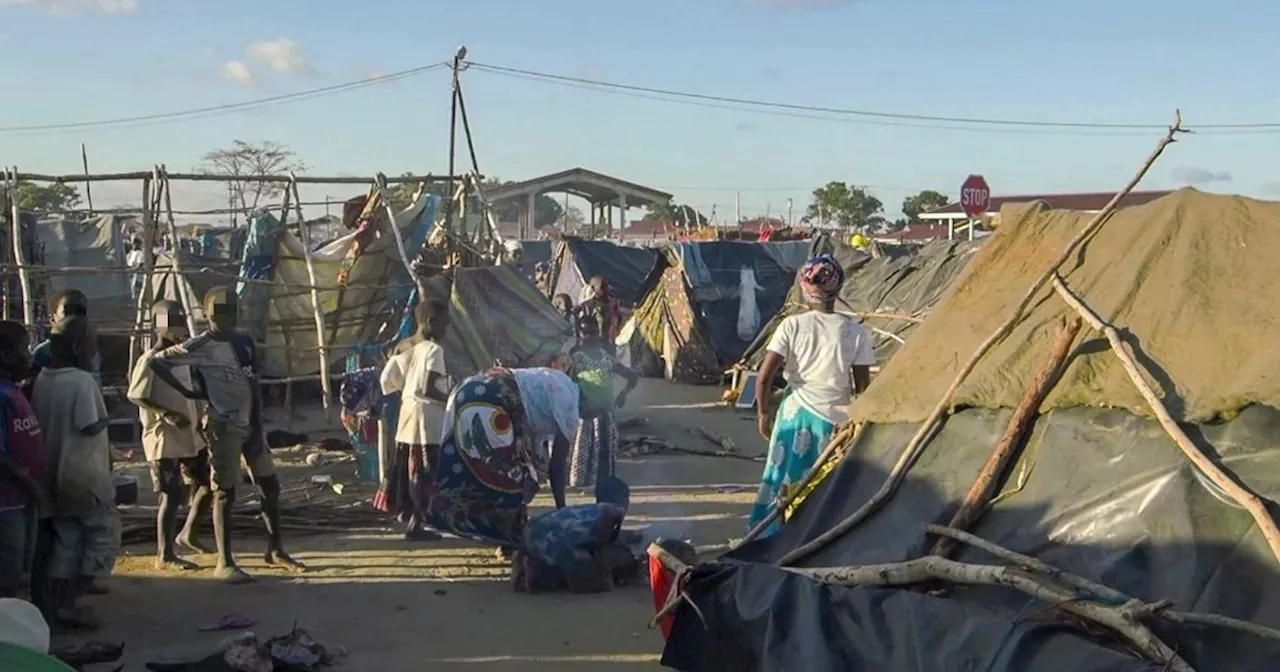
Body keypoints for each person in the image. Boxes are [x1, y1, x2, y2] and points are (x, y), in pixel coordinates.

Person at [148, 287, 303, 584]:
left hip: (250, 425)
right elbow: (157, 362)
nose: (227, 318)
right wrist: (192, 391)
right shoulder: (199, 346)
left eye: (231, 312)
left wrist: (257, 425)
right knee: (225, 492)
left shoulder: (244, 343)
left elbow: (253, 384)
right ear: (207, 316)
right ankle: (225, 561)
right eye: (221, 313)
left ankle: (276, 549)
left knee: (269, 486)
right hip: (222, 427)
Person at [748, 255, 875, 537]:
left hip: (795, 414)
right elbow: (862, 388)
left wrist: (763, 413)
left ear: (805, 290)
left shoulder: (792, 326)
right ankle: (813, 537)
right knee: (823, 483)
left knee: (782, 477)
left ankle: (771, 535)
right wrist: (857, 421)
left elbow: (765, 375)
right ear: (838, 289)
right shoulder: (856, 332)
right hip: (835, 419)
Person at [425, 366, 580, 549]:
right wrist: (562, 510)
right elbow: (557, 467)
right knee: (510, 474)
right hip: (493, 398)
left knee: (486, 468)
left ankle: (489, 531)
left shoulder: (560, 382)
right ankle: (505, 538)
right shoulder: (569, 408)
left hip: (470, 388)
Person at [30, 316, 118, 630]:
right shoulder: (82, 382)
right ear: (81, 347)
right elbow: (91, 423)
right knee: (101, 540)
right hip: (84, 477)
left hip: (54, 476)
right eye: (93, 343)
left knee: (67, 541)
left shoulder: (44, 378)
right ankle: (73, 601)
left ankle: (58, 605)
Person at [127, 300, 210, 570]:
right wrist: (166, 414)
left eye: (180, 319)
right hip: (164, 439)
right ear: (156, 325)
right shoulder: (150, 360)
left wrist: (199, 419)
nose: (177, 326)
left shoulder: (181, 356)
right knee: (171, 495)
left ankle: (188, 533)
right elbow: (136, 395)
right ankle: (165, 554)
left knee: (209, 483)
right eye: (170, 320)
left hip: (190, 436)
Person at [376, 299, 450, 541]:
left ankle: (408, 516)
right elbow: (430, 387)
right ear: (431, 322)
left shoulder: (405, 346)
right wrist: (452, 395)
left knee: (409, 466)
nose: (446, 330)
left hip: (407, 414)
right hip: (427, 419)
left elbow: (387, 381)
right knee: (426, 471)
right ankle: (416, 524)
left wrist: (409, 388)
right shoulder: (434, 350)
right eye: (444, 324)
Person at [567, 310, 637, 490]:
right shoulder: (574, 357)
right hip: (584, 414)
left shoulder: (605, 357)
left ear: (598, 333)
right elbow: (565, 384)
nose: (589, 336)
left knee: (606, 448)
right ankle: (582, 484)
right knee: (584, 450)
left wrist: (623, 394)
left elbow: (631, 377)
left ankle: (602, 482)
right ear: (579, 333)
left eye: (592, 332)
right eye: (585, 332)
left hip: (606, 411)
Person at [0, 323, 43, 599]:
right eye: (23, 349)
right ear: (5, 355)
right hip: (6, 504)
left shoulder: (13, 390)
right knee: (6, 577)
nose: (29, 355)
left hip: (21, 499)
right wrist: (28, 483)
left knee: (17, 574)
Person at [30, 291, 101, 384]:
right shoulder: (43, 353)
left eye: (80, 313)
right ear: (52, 319)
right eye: (68, 313)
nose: (75, 318)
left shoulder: (90, 348)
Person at [578, 275, 622, 343]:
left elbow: (618, 316)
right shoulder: (587, 304)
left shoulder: (613, 301)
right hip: (593, 339)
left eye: (605, 286)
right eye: (602, 286)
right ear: (592, 288)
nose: (605, 288)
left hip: (609, 337)